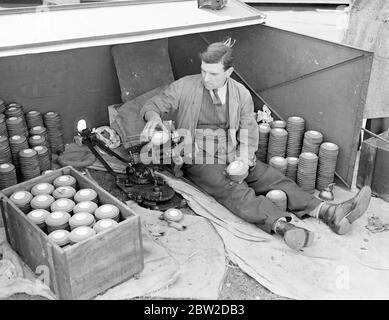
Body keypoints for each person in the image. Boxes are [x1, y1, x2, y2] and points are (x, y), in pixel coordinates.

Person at [139, 39, 371, 250]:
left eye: (212, 73)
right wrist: (154, 117)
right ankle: (283, 226)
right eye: (203, 71)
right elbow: (155, 104)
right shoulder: (185, 86)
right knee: (233, 190)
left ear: (228, 72)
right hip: (197, 156)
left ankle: (328, 211)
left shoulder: (240, 94)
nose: (206, 78)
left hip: (230, 150)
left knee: (271, 177)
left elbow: (249, 131)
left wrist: (244, 158)